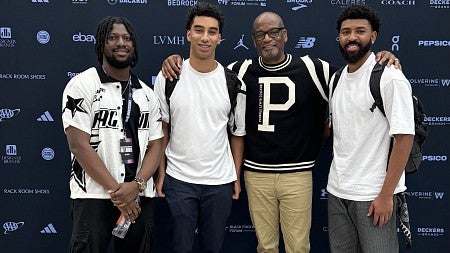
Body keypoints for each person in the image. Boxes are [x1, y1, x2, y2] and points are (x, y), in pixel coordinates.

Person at [161, 12, 399, 253]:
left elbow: (355, 75)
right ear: (253, 40)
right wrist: (173, 60)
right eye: (260, 34)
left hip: (297, 175)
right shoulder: (237, 72)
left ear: (285, 35)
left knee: (298, 247)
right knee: (265, 247)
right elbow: (205, 76)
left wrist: (382, 57)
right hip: (256, 175)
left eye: (274, 32)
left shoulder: (313, 68)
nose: (268, 39)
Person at [62, 16, 163, 253]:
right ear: (101, 43)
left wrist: (135, 186)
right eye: (113, 38)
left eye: (127, 38)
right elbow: (78, 145)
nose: (121, 43)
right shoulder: (82, 85)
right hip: (93, 197)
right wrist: (118, 194)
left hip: (139, 198)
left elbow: (156, 145)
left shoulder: (147, 95)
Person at [153, 2, 246, 253]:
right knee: (179, 247)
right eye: (199, 30)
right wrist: (160, 174)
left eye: (212, 31)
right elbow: (162, 129)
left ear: (220, 38)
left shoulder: (232, 83)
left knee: (213, 248)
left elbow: (237, 134)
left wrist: (235, 176)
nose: (205, 37)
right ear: (188, 34)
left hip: (219, 182)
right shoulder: (168, 77)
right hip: (179, 179)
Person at [327, 4, 414, 253]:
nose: (352, 37)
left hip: (374, 195)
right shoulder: (336, 78)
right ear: (339, 37)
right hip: (337, 191)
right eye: (346, 32)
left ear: (373, 36)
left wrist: (386, 196)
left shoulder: (389, 77)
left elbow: (404, 139)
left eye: (360, 31)